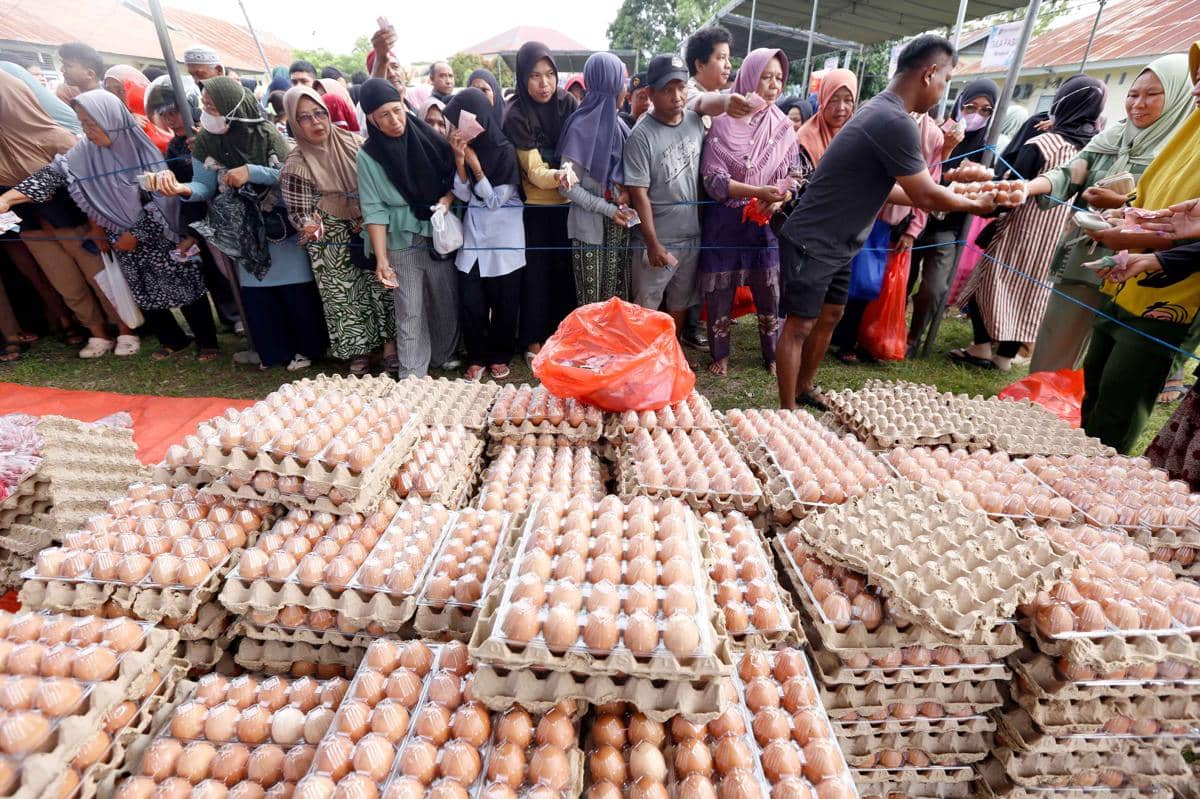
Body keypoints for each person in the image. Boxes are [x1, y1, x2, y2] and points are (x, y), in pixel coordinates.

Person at [776, 35, 997, 409]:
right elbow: (924, 195)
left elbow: (902, 188)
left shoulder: (882, 110)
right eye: (945, 80)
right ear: (929, 73)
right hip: (814, 237)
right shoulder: (893, 120)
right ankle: (787, 411)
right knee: (800, 325)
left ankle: (803, 388)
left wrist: (954, 191)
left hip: (842, 239)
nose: (943, 92)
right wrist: (974, 204)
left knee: (831, 314)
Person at [0, 91, 216, 359]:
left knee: (184, 287)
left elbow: (162, 200)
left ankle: (207, 342)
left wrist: (135, 233)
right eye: (82, 123)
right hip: (120, 237)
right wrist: (8, 199)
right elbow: (52, 174)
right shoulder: (83, 153)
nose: (87, 130)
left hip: (160, 232)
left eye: (92, 123)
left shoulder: (141, 149)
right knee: (142, 290)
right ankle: (172, 340)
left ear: (111, 119)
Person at [1024, 54, 1193, 374]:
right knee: (1056, 341)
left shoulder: (1183, 153)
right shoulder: (1112, 138)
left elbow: (1182, 213)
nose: (1138, 104)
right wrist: (1024, 188)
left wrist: (1122, 203)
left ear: (1178, 97)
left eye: (1152, 94)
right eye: (1132, 94)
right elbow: (1069, 173)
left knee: (1106, 360)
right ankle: (1037, 397)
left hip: (1139, 267)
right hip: (1085, 256)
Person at [1079, 40, 1200, 453]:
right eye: (1197, 77)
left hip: (1170, 294)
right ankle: (1079, 462)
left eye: (1153, 94)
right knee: (1096, 380)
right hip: (1126, 277)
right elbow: (1156, 197)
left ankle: (1099, 475)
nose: (1198, 87)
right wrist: (1125, 213)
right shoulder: (1188, 134)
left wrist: (1144, 244)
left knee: (1121, 398)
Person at [159, 76, 328, 370]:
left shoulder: (267, 134)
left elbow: (291, 174)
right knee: (259, 293)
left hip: (281, 227)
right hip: (245, 230)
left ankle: (307, 349)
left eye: (212, 107)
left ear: (232, 105)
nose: (206, 113)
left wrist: (251, 171)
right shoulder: (207, 142)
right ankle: (273, 351)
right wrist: (181, 189)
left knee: (295, 291)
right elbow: (203, 186)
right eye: (204, 106)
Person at [953, 75, 1106, 371]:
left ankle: (981, 346)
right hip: (1058, 236)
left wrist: (982, 199)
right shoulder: (1093, 149)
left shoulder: (1041, 144)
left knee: (989, 283)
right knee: (1031, 295)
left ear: (1062, 103)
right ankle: (1005, 357)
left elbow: (1012, 188)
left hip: (1021, 229)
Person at [0, 70, 131, 358]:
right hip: (33, 228)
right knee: (66, 284)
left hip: (74, 223)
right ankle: (96, 333)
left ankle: (124, 328)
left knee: (100, 277)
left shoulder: (56, 136)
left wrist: (96, 226)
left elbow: (89, 185)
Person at [280, 86, 397, 376]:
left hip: (368, 226)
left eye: (319, 113)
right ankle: (359, 352)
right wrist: (309, 225)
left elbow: (379, 183)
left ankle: (391, 349)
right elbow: (298, 212)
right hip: (329, 239)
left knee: (380, 287)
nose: (316, 122)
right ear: (294, 122)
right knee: (344, 297)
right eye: (304, 117)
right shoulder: (295, 164)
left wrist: (367, 213)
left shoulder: (355, 143)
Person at [699, 48, 801, 376]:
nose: (774, 85)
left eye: (779, 78)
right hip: (725, 221)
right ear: (748, 78)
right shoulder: (721, 122)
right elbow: (713, 180)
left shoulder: (783, 126)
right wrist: (757, 192)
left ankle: (772, 353)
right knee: (720, 290)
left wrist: (778, 198)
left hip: (763, 220)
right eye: (766, 77)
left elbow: (794, 175)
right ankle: (720, 354)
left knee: (769, 289)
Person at [356, 78, 459, 378]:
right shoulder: (368, 155)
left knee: (444, 298)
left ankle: (444, 354)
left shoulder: (427, 138)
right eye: (384, 115)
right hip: (400, 238)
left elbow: (453, 178)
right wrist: (382, 259)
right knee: (409, 307)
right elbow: (373, 209)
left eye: (397, 110)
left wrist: (448, 199)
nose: (394, 120)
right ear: (372, 120)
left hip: (437, 233)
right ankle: (413, 372)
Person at [833, 111, 945, 363]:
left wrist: (913, 230)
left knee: (881, 285)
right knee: (857, 281)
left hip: (897, 224)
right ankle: (843, 338)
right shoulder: (883, 119)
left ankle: (869, 341)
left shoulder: (933, 135)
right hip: (866, 215)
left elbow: (930, 186)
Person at [145, 75, 241, 335]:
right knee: (214, 269)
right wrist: (189, 231)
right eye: (164, 115)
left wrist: (206, 148)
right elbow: (184, 189)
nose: (170, 120)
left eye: (174, 112)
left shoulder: (217, 131)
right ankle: (232, 315)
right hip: (201, 216)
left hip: (232, 213)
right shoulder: (175, 147)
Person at [502, 41, 579, 362]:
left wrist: (570, 169)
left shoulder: (567, 103)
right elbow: (533, 171)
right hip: (535, 208)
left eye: (549, 74)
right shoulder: (516, 113)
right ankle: (533, 338)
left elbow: (577, 146)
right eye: (534, 76)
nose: (544, 83)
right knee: (536, 275)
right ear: (523, 77)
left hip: (568, 205)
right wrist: (561, 176)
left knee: (565, 274)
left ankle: (564, 335)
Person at [906, 79, 995, 355]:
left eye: (985, 110)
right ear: (959, 105)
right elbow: (921, 174)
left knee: (934, 288)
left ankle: (913, 339)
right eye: (971, 107)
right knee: (902, 279)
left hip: (949, 228)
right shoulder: (935, 132)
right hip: (915, 218)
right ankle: (888, 330)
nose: (976, 114)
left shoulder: (987, 150)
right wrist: (946, 150)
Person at [444, 88, 525, 381]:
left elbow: (493, 201)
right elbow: (464, 195)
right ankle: (476, 355)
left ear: (479, 118)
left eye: (461, 121)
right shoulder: (465, 148)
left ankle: (500, 355)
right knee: (472, 302)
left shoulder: (504, 150)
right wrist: (459, 159)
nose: (458, 128)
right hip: (475, 238)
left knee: (504, 302)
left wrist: (476, 166)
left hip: (504, 240)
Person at [623, 54, 706, 334]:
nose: (677, 96)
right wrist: (652, 242)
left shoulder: (695, 122)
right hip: (658, 240)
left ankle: (672, 351)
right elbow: (639, 193)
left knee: (680, 303)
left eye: (681, 87)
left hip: (691, 236)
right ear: (650, 93)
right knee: (646, 307)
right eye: (668, 90)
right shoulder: (641, 135)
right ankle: (644, 357)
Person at [557, 51, 633, 305]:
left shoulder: (621, 126)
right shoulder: (580, 127)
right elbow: (566, 186)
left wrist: (626, 194)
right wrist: (607, 209)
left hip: (619, 228)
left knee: (616, 300)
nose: (626, 90)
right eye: (622, 82)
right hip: (590, 229)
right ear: (611, 85)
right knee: (592, 305)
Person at [796, 69, 858, 173]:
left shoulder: (857, 136)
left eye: (848, 100)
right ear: (823, 100)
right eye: (833, 100)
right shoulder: (806, 140)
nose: (841, 107)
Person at [102, 65, 172, 153]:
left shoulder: (162, 114)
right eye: (109, 91)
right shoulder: (105, 119)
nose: (114, 97)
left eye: (120, 91)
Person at [0, 61, 82, 133]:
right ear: (24, 77)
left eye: (42, 75)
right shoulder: (20, 101)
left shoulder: (53, 97)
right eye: (36, 75)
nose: (42, 78)